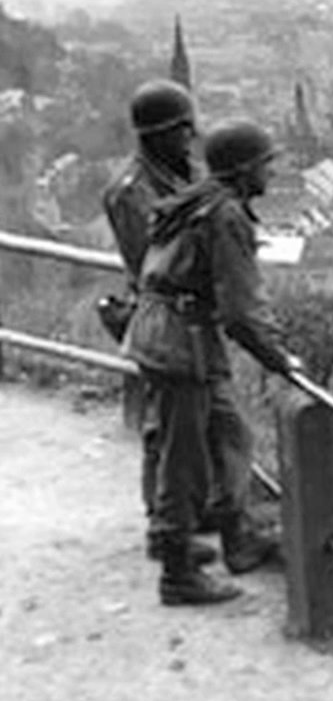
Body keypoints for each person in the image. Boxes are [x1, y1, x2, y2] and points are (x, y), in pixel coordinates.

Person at [122, 118, 302, 606]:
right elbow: (240, 310)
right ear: (245, 169)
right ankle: (176, 571)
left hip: (170, 333)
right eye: (266, 162)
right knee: (186, 460)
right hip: (181, 343)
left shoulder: (200, 200)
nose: (272, 171)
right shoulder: (225, 217)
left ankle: (235, 537)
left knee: (232, 434)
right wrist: (281, 359)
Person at [101, 79, 217, 568]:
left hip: (184, 315)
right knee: (169, 429)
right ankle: (167, 532)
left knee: (182, 426)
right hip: (162, 315)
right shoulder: (133, 192)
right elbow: (155, 259)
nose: (190, 140)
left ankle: (182, 514)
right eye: (181, 131)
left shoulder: (176, 172)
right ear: (156, 135)